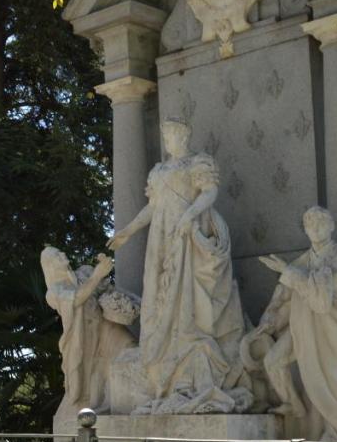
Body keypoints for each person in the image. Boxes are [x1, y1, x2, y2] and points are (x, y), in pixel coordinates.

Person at [106, 118, 251, 414]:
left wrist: (189, 216)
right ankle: (166, 374)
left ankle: (187, 371)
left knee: (186, 299)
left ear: (184, 134)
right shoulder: (159, 171)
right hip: (160, 240)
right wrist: (128, 230)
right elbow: (152, 207)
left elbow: (209, 193)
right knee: (160, 303)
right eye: (165, 134)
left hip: (186, 238)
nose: (167, 139)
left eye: (172, 133)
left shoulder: (197, 163)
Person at [242, 206, 337, 441]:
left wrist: (289, 272)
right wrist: (269, 322)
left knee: (331, 384)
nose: (315, 228)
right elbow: (282, 299)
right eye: (309, 224)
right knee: (273, 361)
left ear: (332, 225)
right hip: (302, 328)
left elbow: (322, 301)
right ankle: (293, 404)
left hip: (333, 335)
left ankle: (334, 434)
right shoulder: (301, 262)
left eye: (321, 222)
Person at [41, 248, 135, 423]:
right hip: (81, 339)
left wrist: (104, 267)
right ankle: (97, 407)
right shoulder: (54, 291)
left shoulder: (83, 273)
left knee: (129, 348)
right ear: (50, 265)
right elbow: (76, 299)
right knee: (87, 382)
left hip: (105, 326)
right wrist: (97, 276)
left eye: (62, 252)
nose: (63, 255)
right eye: (57, 256)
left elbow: (106, 288)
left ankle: (122, 401)